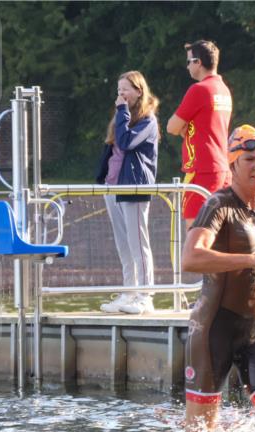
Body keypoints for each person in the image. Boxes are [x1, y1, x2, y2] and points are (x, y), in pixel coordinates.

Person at [158, 125, 255, 432]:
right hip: (213, 332)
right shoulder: (218, 206)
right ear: (232, 165)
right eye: (249, 160)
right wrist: (252, 261)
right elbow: (191, 257)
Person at [95, 71, 160, 315]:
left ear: (139, 91)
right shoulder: (121, 117)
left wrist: (121, 112)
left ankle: (146, 296)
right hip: (113, 186)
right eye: (119, 90)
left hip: (133, 186)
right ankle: (128, 292)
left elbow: (126, 142)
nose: (121, 94)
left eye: (126, 89)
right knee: (123, 244)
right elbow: (113, 146)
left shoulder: (147, 120)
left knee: (138, 243)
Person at [166, 40, 232, 230]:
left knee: (195, 232)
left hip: (201, 170)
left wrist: (183, 127)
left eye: (189, 62)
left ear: (199, 62)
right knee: (218, 232)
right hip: (221, 168)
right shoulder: (224, 90)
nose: (187, 67)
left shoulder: (199, 90)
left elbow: (171, 126)